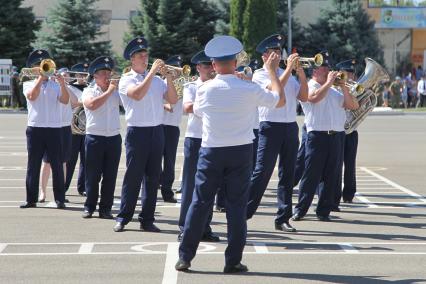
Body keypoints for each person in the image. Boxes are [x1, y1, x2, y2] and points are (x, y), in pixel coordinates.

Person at [175, 35, 285, 273]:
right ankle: (232, 260)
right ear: (235, 62)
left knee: (200, 203)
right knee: (236, 207)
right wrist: (273, 72)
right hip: (241, 151)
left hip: (212, 150)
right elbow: (279, 100)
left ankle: (185, 257)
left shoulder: (204, 89)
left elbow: (199, 113)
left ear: (214, 65)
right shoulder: (249, 87)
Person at [114, 37, 178, 232]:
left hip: (157, 130)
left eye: (146, 55)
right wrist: (152, 72)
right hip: (137, 132)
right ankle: (124, 217)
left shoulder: (158, 80)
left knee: (153, 177)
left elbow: (173, 99)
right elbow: (138, 94)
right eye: (141, 56)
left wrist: (168, 77)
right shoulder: (127, 79)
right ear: (132, 59)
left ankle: (147, 219)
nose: (145, 58)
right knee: (133, 176)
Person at [245, 34, 308, 233]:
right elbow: (272, 90)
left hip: (290, 126)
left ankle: (283, 217)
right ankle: (243, 212)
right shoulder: (259, 74)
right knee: (262, 172)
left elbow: (304, 96)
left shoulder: (286, 72)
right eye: (274, 52)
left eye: (279, 52)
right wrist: (289, 69)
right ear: (265, 56)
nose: (278, 56)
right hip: (269, 126)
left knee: (287, 175)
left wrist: (301, 73)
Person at [291, 51, 359, 222]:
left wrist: (343, 86)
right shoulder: (309, 86)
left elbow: (353, 105)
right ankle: (301, 209)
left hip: (336, 137)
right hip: (317, 137)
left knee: (332, 175)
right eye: (323, 68)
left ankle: (323, 210)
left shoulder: (335, 91)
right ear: (314, 71)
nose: (328, 70)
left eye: (328, 68)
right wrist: (329, 83)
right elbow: (313, 99)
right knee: (311, 175)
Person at [178, 50, 220, 243]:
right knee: (189, 186)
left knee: (209, 186)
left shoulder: (219, 85)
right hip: (195, 138)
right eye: (206, 66)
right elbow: (186, 107)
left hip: (212, 139)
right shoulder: (191, 86)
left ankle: (204, 227)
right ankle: (185, 227)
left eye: (212, 65)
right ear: (198, 68)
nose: (210, 69)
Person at [20, 49, 69, 209]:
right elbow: (32, 96)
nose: (43, 67)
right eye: (39, 65)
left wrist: (62, 84)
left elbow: (64, 100)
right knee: (33, 165)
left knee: (57, 164)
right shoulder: (28, 83)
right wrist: (41, 79)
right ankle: (31, 199)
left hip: (54, 129)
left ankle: (60, 199)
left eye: (45, 64)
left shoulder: (56, 85)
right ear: (34, 68)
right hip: (35, 128)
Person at [81, 56, 122, 219]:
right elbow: (92, 105)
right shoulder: (88, 91)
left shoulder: (116, 91)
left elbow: (131, 102)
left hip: (113, 137)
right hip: (94, 138)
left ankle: (105, 208)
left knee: (110, 176)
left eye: (109, 72)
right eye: (103, 73)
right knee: (92, 176)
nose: (107, 76)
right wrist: (111, 90)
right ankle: (89, 206)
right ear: (95, 76)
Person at [334, 59, 360, 206]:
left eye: (352, 73)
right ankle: (335, 194)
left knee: (350, 164)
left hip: (352, 131)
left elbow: (359, 106)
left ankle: (349, 193)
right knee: (336, 165)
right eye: (347, 73)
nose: (350, 76)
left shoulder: (356, 88)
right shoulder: (335, 88)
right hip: (338, 130)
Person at [159, 55, 183, 203]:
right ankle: (155, 184)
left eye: (174, 70)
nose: (174, 73)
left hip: (172, 127)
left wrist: (170, 69)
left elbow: (172, 106)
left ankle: (167, 192)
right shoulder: (159, 83)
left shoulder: (181, 84)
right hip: (158, 125)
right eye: (171, 69)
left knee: (169, 162)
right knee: (154, 160)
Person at [65, 62, 90, 197]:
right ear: (75, 75)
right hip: (73, 129)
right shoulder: (69, 87)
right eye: (80, 74)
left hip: (88, 128)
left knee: (86, 161)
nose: (83, 77)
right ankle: (64, 187)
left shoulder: (91, 87)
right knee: (70, 160)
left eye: (85, 75)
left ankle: (83, 187)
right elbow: (72, 103)